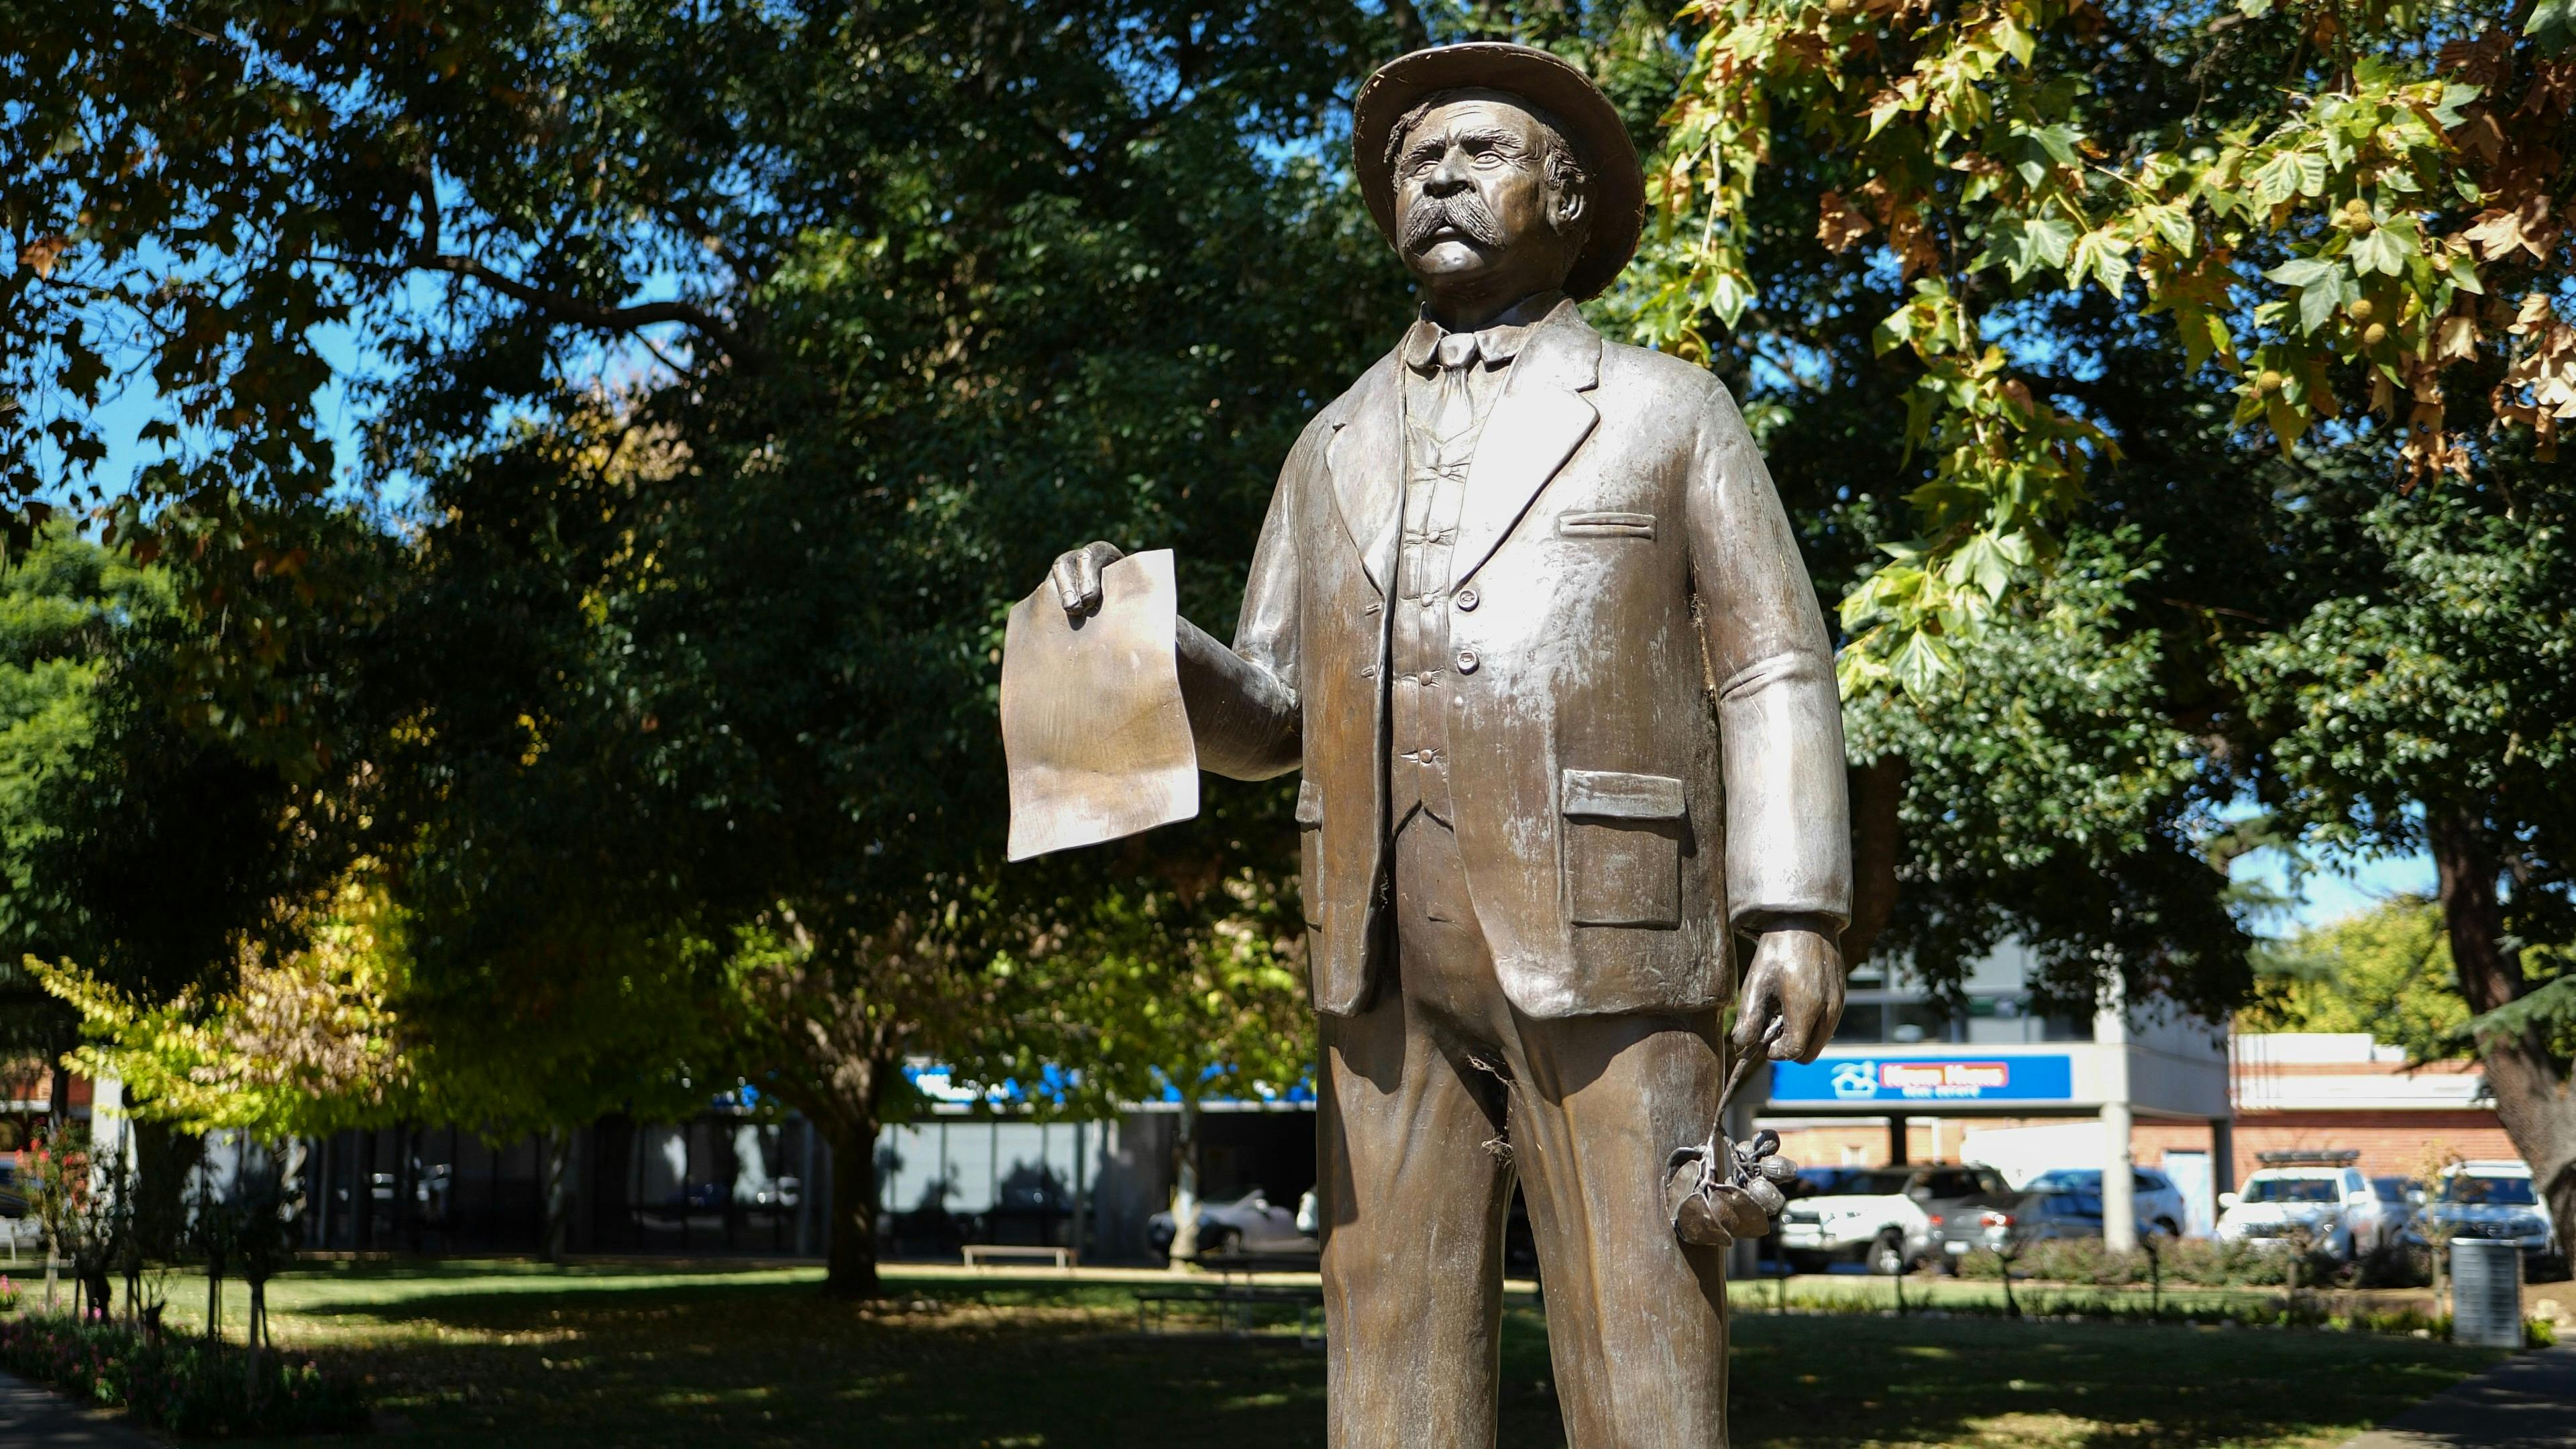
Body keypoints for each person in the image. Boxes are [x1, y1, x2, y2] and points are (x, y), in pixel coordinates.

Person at [1042, 42, 1850, 1447]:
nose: (1443, 181)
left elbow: (1773, 660)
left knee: (1642, 1324)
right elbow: (1275, 719)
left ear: (1572, 200)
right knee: (1387, 1325)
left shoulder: (1669, 410)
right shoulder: (1328, 444)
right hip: (1375, 956)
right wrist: (1145, 649)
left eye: (1481, 155)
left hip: (1610, 936)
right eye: (1420, 163)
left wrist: (1793, 907)